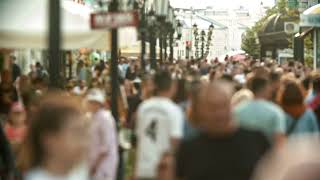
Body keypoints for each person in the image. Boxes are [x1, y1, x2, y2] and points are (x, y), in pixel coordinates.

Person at [176, 81, 270, 180]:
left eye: (224, 105)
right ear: (200, 110)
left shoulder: (257, 140)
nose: (220, 113)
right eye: (212, 107)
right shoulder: (188, 148)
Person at [21, 94, 89, 180]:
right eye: (76, 133)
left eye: (84, 133)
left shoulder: (81, 171)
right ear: (49, 140)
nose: (84, 142)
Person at [135, 70, 183, 180]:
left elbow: (139, 139)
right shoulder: (174, 110)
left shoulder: (143, 107)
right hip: (163, 171)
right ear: (172, 87)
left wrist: (135, 170)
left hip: (143, 168)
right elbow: (175, 141)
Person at [234, 76, 286, 144]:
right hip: (268, 153)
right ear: (266, 89)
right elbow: (279, 140)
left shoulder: (237, 110)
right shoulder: (275, 111)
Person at [85, 89, 118, 180]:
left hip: (104, 165)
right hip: (93, 165)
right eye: (91, 102)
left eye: (95, 102)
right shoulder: (90, 117)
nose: (93, 104)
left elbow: (105, 147)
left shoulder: (105, 118)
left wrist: (94, 165)